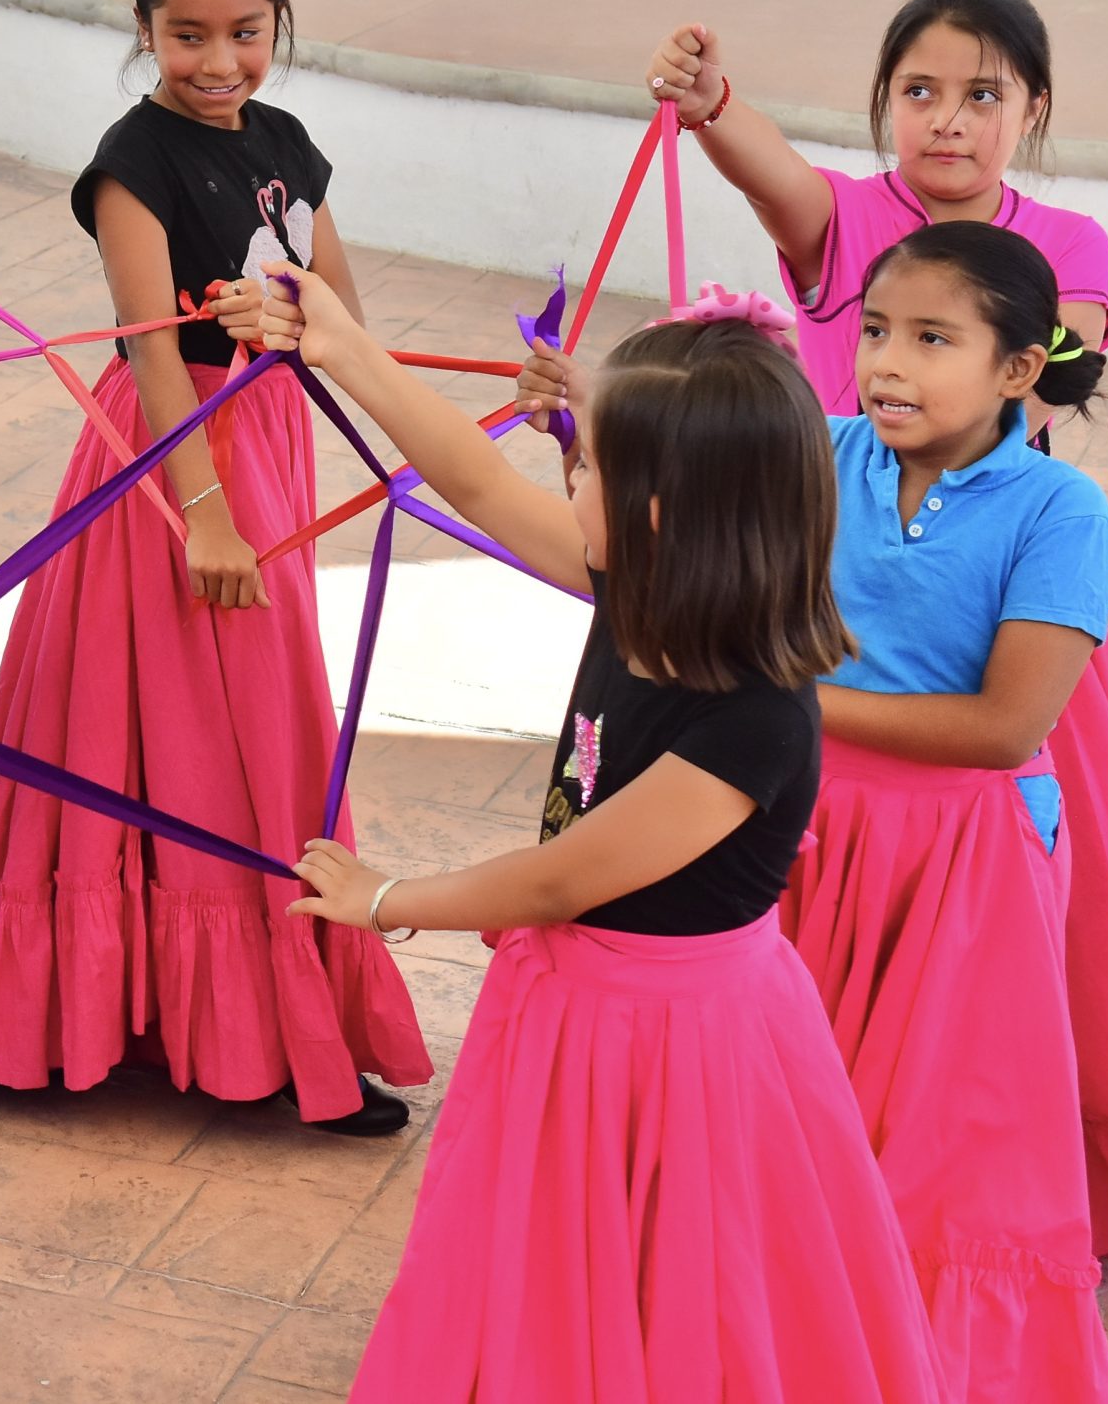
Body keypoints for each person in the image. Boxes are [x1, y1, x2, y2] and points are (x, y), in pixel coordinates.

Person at [228, 268, 940, 1401]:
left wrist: (387, 899)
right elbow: (473, 479)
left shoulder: (755, 720)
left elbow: (561, 880)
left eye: (590, 463)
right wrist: (347, 349)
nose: (568, 475)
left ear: (660, 508)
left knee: (677, 1271)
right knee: (560, 1259)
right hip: (578, 1009)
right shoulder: (636, 585)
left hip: (676, 1045)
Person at [634, 0, 1108, 1261]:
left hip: (990, 618)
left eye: (982, 95)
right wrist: (709, 101)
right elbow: (769, 172)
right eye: (919, 91)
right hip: (837, 593)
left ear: (1031, 110)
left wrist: (1014, 365)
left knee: (1034, 946)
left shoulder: (1068, 243)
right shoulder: (846, 221)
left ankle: (990, 1187)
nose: (947, 119)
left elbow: (1059, 373)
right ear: (884, 102)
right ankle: (790, 1189)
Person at [528, 227, 1108, 1399]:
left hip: (960, 864)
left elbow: (1005, 726)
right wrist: (599, 410)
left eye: (933, 338)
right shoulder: (820, 451)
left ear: (1018, 369)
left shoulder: (1061, 509)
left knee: (942, 1144)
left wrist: (778, 695)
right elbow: (695, 481)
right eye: (876, 331)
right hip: (792, 827)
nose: (887, 362)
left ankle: (909, 1367)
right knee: (780, 1121)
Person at [0, 0, 429, 1131]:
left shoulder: (287, 142)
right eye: (187, 36)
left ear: (277, 21)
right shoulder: (133, 163)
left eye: (245, 32)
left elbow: (339, 310)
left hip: (264, 442)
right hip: (173, 464)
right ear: (143, 29)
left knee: (258, 726)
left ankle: (263, 1023)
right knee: (185, 725)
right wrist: (205, 514)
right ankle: (110, 1020)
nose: (219, 62)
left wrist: (291, 316)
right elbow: (151, 349)